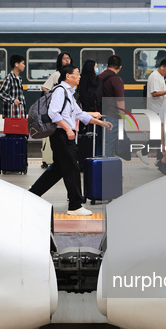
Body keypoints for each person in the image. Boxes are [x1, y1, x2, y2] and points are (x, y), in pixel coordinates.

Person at [29, 64, 113, 216]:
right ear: (68, 76)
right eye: (77, 74)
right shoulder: (60, 91)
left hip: (64, 135)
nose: (79, 76)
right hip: (62, 135)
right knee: (72, 169)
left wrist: (101, 123)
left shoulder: (69, 93)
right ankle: (75, 205)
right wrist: (68, 129)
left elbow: (80, 115)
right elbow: (53, 114)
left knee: (58, 170)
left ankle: (32, 195)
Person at [141, 58, 166, 165]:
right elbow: (154, 93)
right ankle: (144, 152)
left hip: (159, 109)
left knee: (159, 136)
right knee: (158, 136)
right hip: (155, 110)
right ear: (162, 67)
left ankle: (158, 159)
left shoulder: (159, 76)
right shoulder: (155, 76)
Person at [97, 55, 125, 157]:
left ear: (107, 65)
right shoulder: (116, 80)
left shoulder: (98, 77)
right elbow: (120, 101)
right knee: (109, 144)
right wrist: (123, 119)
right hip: (111, 115)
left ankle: (97, 166)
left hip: (98, 115)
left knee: (99, 142)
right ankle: (106, 169)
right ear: (120, 67)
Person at [0, 54, 26, 119]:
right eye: (22, 63)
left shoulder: (19, 79)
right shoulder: (9, 78)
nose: (24, 66)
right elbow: (0, 92)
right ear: (16, 64)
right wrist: (12, 100)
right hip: (12, 115)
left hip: (19, 114)